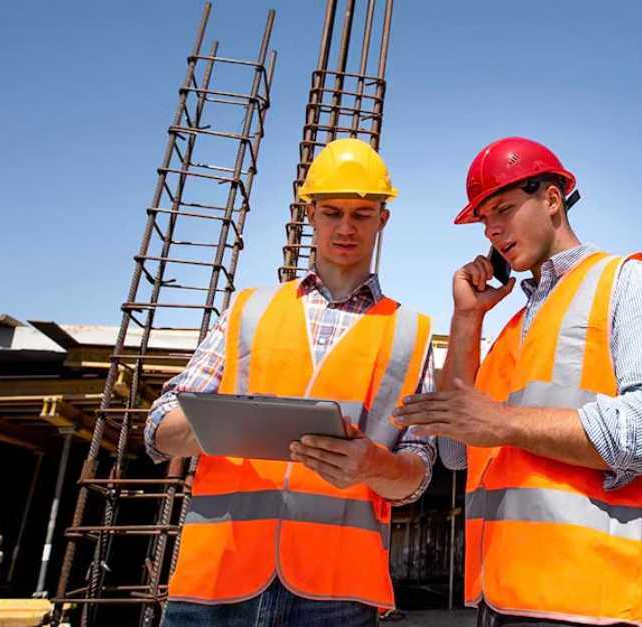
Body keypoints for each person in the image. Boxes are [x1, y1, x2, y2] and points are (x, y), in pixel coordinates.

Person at [395, 137, 642, 626]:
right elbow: (455, 450)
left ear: (552, 199)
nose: (492, 230)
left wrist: (504, 421)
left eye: (504, 209)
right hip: (504, 602)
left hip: (607, 605)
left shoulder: (628, 284)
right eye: (484, 220)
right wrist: (467, 319)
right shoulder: (512, 331)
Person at [144, 138, 436, 626]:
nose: (346, 227)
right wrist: (221, 423)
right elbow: (159, 428)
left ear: (382, 220)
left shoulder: (411, 332)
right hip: (218, 577)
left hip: (336, 590)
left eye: (362, 214)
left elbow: (417, 473)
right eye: (332, 212)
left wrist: (373, 464)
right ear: (310, 214)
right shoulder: (249, 310)